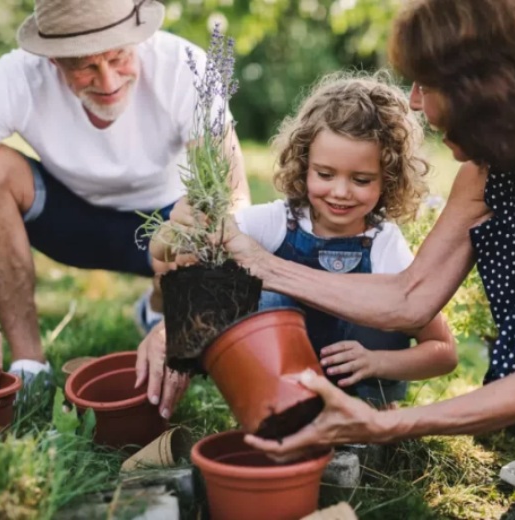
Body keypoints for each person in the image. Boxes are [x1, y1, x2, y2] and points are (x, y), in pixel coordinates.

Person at [206, 1, 515, 518]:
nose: (414, 104)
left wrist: (385, 423)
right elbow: (411, 296)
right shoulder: (494, 165)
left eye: (426, 85)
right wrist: (261, 265)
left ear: (487, 87)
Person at [136, 73, 458, 419]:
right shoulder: (278, 221)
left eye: (361, 180)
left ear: (389, 179)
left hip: (357, 394)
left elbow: (443, 351)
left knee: (383, 303)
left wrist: (379, 362)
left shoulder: (384, 245)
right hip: (280, 385)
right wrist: (176, 229)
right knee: (261, 295)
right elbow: (172, 252)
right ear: (304, 167)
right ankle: (274, 407)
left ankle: (368, 414)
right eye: (324, 174)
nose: (340, 191)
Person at [0, 0, 250, 387]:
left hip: (164, 227)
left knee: (208, 212)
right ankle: (29, 368)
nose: (109, 82)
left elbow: (232, 198)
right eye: (85, 67)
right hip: (68, 221)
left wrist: (178, 325)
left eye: (118, 58)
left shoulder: (183, 65)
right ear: (52, 60)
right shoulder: (18, 75)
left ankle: (159, 307)